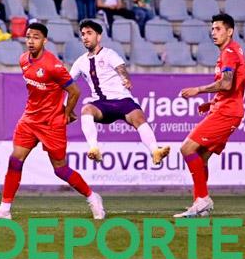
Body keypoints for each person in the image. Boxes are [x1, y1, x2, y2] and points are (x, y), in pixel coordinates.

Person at [0, 22, 104, 221]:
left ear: (44, 40)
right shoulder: (23, 60)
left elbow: (74, 92)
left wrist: (66, 113)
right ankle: (4, 210)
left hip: (51, 123)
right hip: (29, 119)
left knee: (60, 169)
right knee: (15, 159)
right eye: (28, 37)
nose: (30, 41)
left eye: (36, 37)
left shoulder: (53, 65)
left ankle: (92, 197)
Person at [70, 20, 171, 166]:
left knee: (138, 117)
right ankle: (94, 148)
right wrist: (65, 106)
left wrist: (125, 79)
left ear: (98, 37)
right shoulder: (80, 62)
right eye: (83, 34)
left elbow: (121, 67)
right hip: (101, 104)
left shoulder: (109, 54)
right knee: (86, 109)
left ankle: (155, 151)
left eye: (89, 33)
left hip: (122, 100)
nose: (85, 37)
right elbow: (68, 82)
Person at [177, 14, 245, 217]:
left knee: (187, 148)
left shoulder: (230, 52)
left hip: (227, 113)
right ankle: (201, 205)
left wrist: (197, 90)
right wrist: (212, 102)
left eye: (218, 28)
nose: (213, 32)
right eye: (212, 29)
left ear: (229, 31)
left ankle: (202, 199)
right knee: (199, 157)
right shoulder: (233, 51)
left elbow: (226, 84)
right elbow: (232, 87)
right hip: (225, 109)